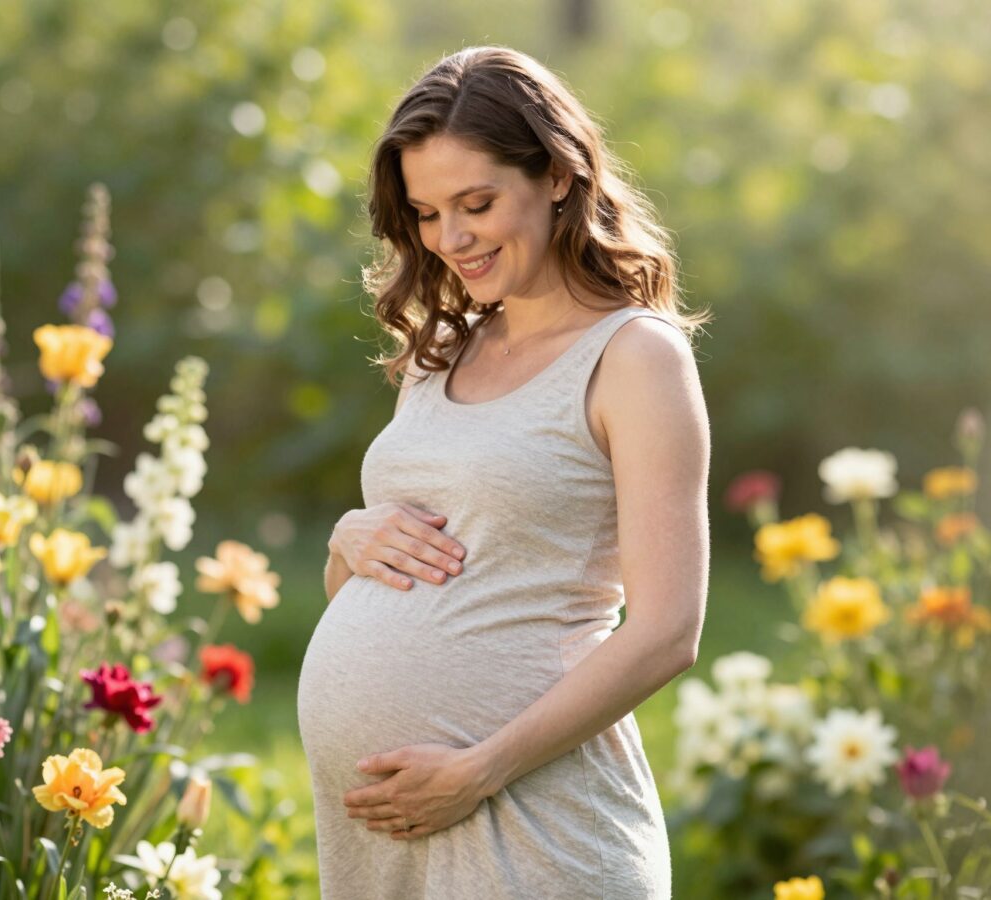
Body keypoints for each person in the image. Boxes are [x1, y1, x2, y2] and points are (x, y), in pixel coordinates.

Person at [297, 45, 712, 899]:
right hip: (384, 841)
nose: (451, 240)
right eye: (424, 213)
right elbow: (416, 578)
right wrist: (349, 540)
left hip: (534, 834)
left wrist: (479, 770)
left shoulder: (633, 358)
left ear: (557, 175)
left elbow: (668, 631)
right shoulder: (438, 355)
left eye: (476, 203)